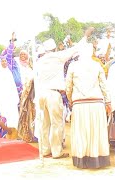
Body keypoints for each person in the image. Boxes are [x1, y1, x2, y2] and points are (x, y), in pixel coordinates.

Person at [36, 27, 93, 159]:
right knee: (56, 123)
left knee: (44, 123)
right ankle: (56, 152)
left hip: (41, 94)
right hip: (53, 94)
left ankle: (45, 150)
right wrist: (85, 35)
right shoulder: (57, 56)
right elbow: (76, 48)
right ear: (55, 48)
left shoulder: (39, 60)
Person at [66, 42, 115, 169]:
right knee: (96, 131)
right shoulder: (97, 65)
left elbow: (68, 87)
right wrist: (108, 101)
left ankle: (82, 159)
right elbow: (104, 85)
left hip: (79, 103)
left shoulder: (73, 66)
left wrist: (71, 100)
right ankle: (98, 159)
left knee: (81, 132)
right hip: (96, 103)